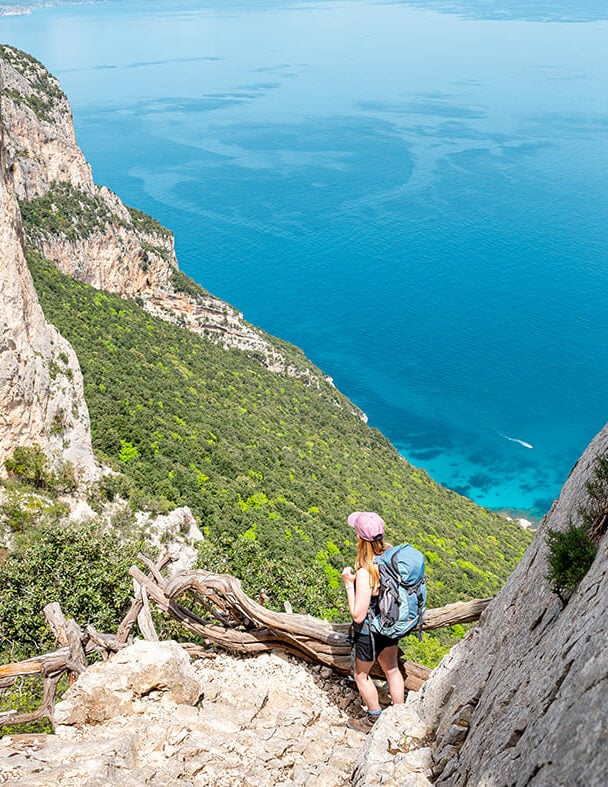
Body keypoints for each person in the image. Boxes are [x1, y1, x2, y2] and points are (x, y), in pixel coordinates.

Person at [341, 511, 405, 733]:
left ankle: (373, 717)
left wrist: (349, 584)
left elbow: (358, 614)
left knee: (361, 674)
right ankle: (400, 717)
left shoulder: (365, 571)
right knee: (392, 670)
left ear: (360, 539)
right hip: (390, 623)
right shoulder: (391, 557)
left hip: (370, 630)